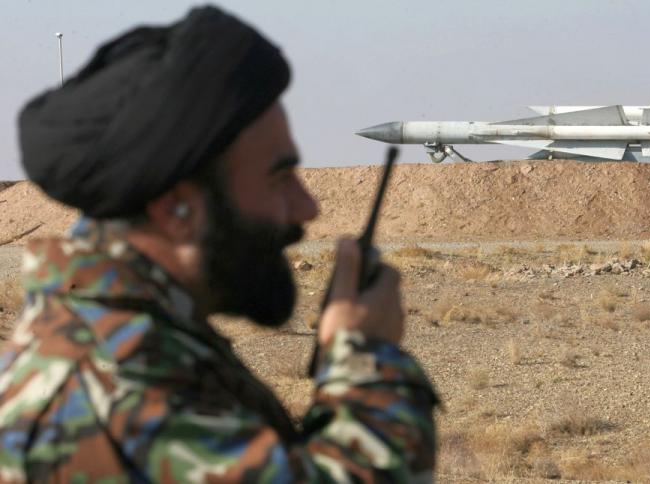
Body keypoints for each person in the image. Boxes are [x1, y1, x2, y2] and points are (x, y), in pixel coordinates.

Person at [0, 6, 437, 482]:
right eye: (279, 177)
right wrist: (367, 361)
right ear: (176, 209)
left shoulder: (132, 338)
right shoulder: (119, 382)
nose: (307, 207)